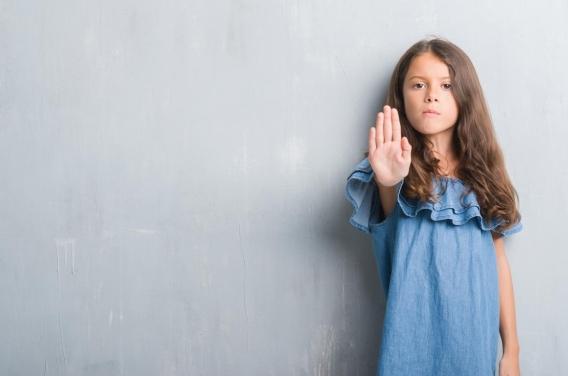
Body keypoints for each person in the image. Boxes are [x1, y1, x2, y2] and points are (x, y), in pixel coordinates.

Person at [345, 37, 523, 376]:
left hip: (474, 345)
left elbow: (498, 262)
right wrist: (387, 181)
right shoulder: (388, 168)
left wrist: (511, 349)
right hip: (410, 345)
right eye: (418, 84)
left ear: (465, 96)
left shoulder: (483, 176)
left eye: (446, 85)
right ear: (401, 95)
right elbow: (388, 232)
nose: (432, 95)